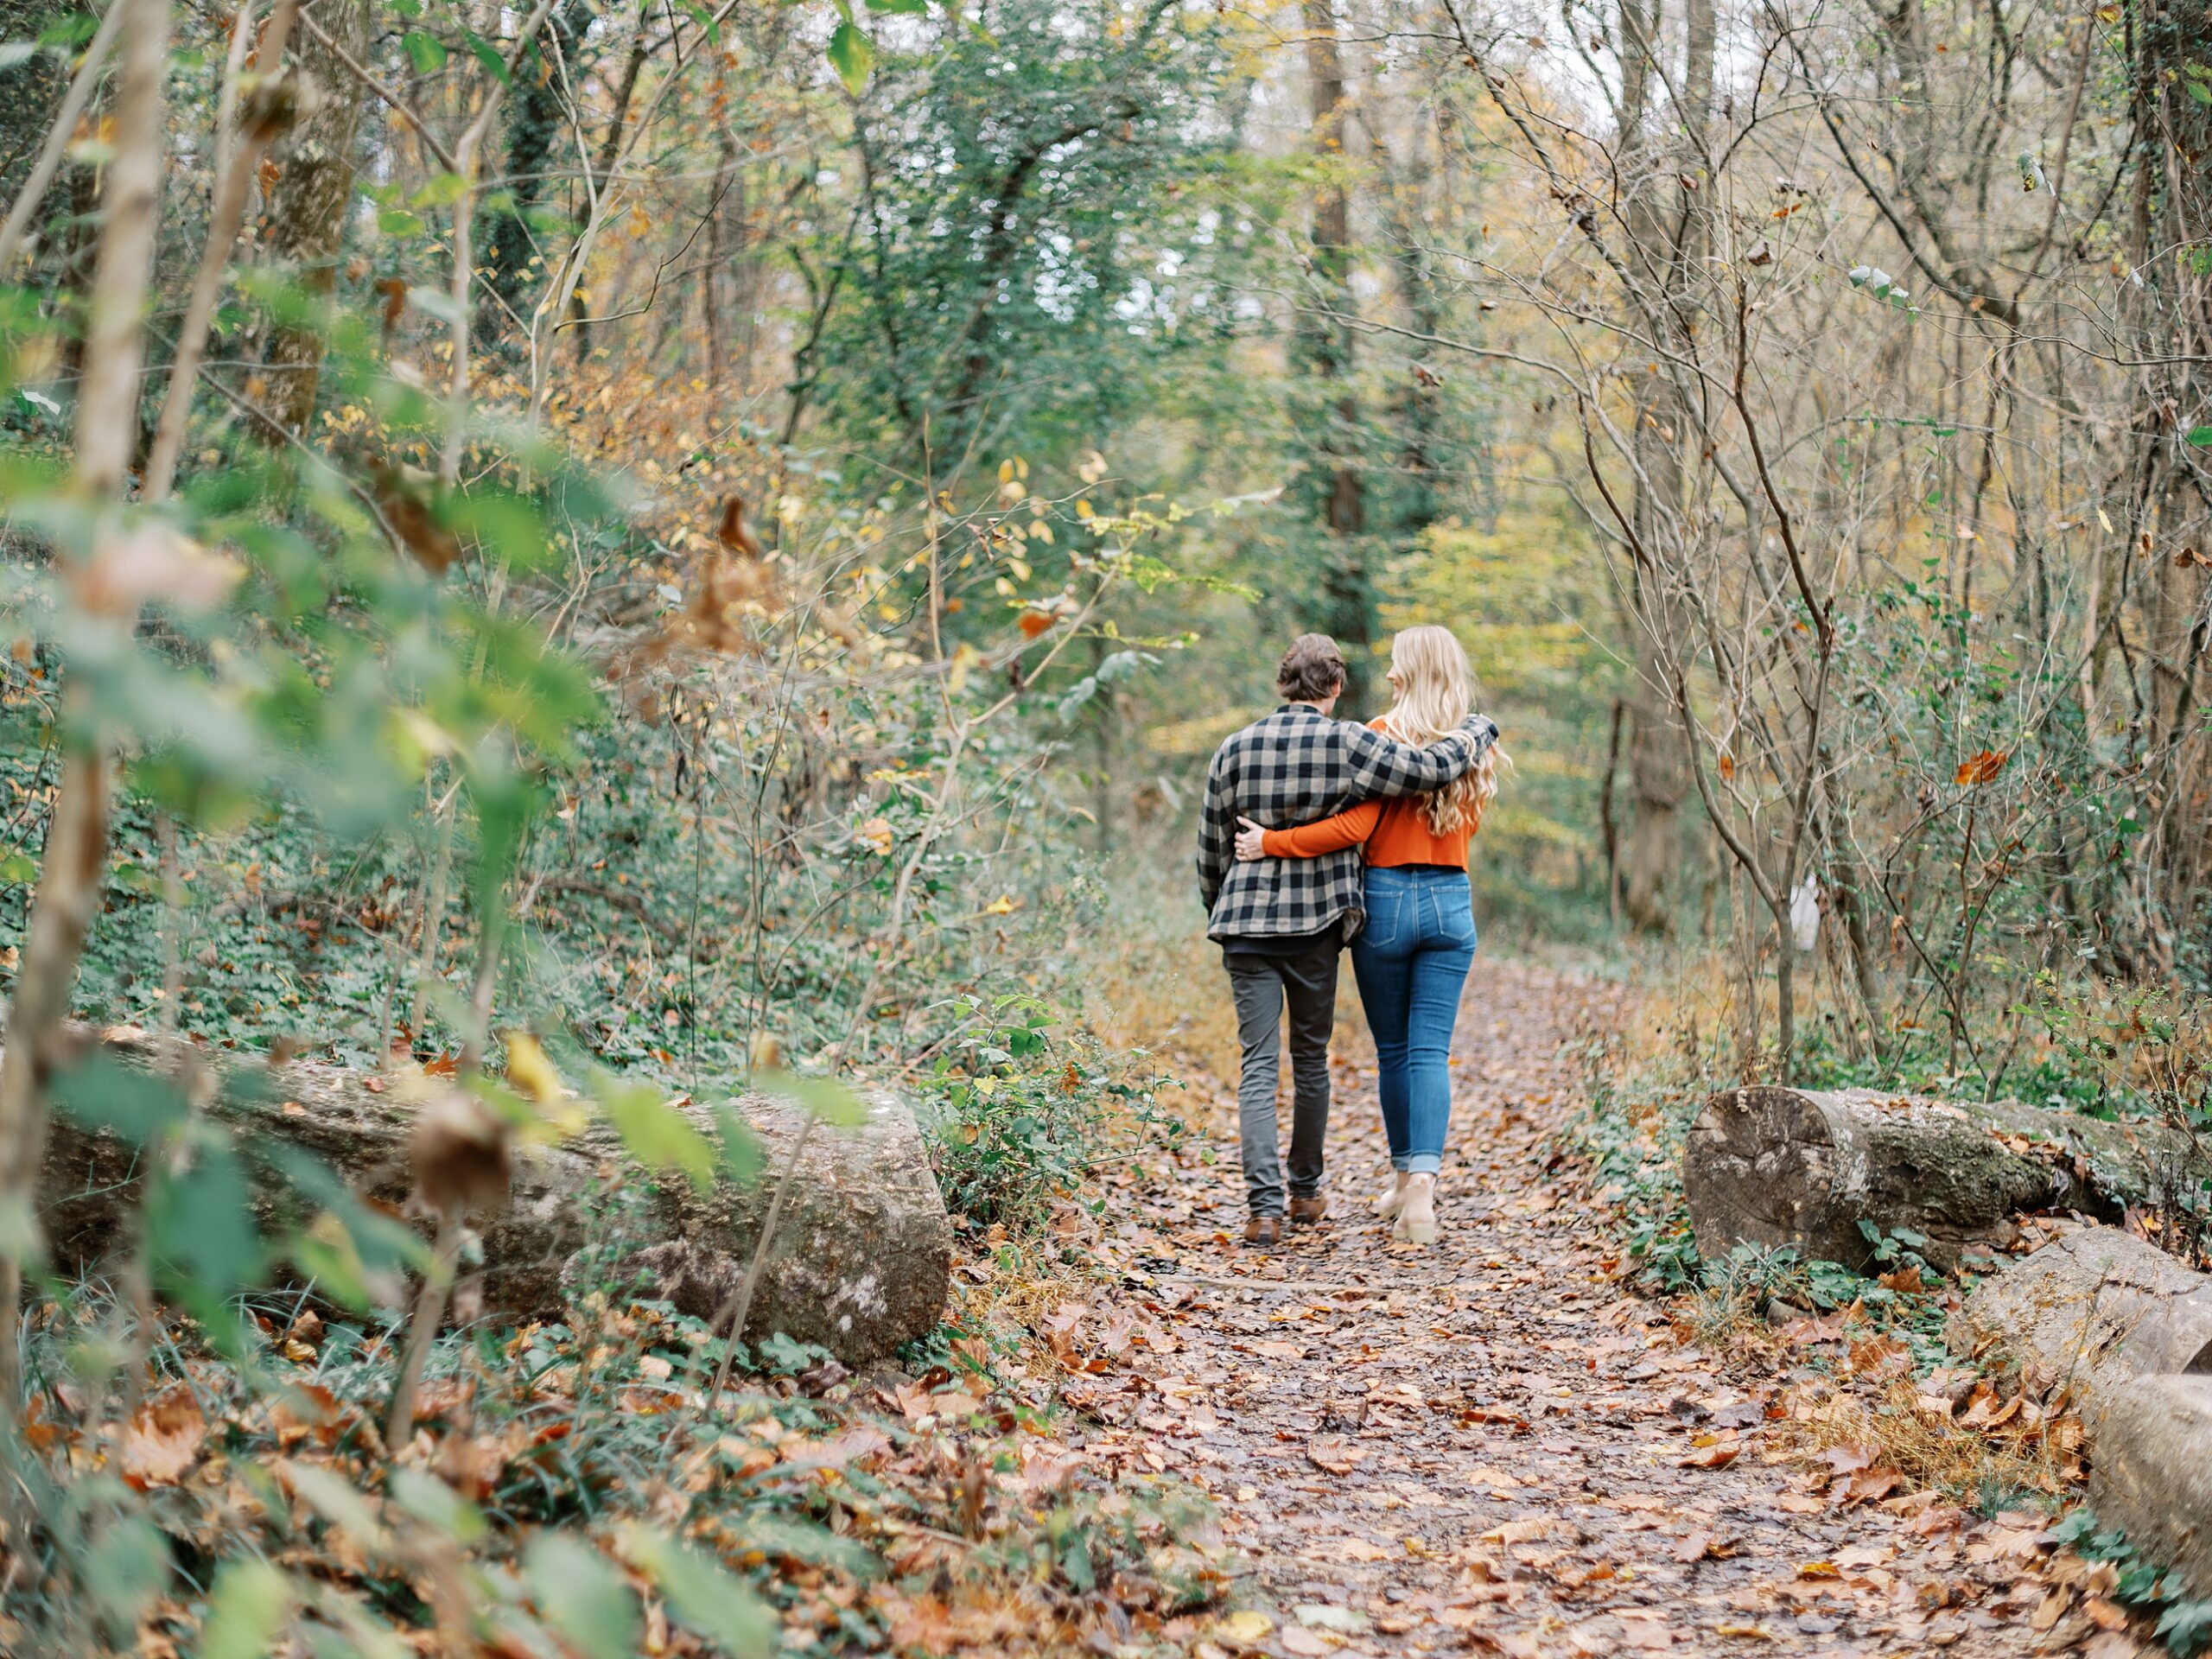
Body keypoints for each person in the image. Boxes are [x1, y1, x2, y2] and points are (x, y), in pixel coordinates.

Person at [1197, 632, 1499, 1249]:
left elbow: (1216, 846)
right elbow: (1433, 776)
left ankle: (1270, 1207)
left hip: (1298, 917)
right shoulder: (1389, 742)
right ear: (1334, 686)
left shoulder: (1250, 746)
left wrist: (1233, 896)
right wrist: (1479, 728)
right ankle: (1357, 1191)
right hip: (1382, 911)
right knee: (1360, 1056)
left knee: (1285, 1062)